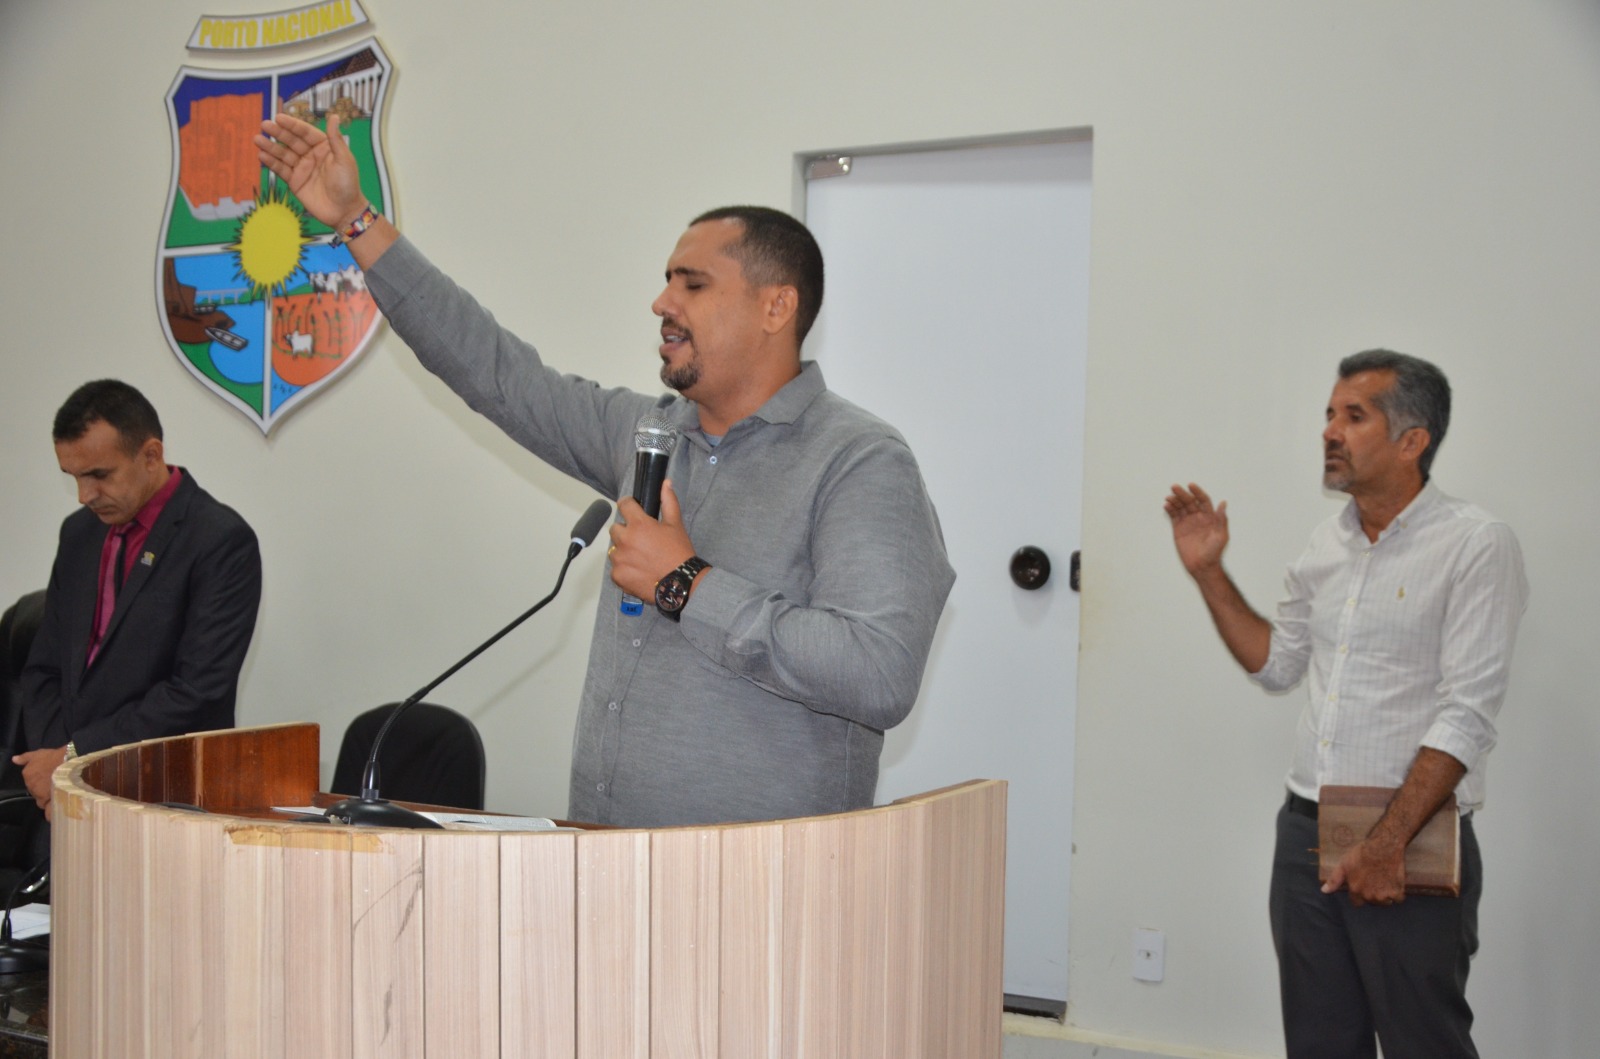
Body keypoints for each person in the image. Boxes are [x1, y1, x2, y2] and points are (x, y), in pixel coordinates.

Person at [255, 113, 955, 828]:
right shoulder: (648, 434)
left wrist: (687, 583)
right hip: (604, 857)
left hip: (763, 879)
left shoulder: (860, 462)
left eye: (693, 285)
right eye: (666, 282)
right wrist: (356, 220)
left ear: (776, 306)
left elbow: (878, 672)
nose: (662, 304)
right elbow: (496, 371)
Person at [1165, 350, 1526, 1059]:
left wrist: (1385, 845)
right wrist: (1209, 573)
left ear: (1412, 440)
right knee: (1320, 1043)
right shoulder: (1325, 545)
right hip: (1306, 832)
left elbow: (1468, 714)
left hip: (1412, 835)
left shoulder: (1475, 544)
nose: (1330, 431)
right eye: (1329, 414)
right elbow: (1277, 666)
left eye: (1353, 416)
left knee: (1425, 1042)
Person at [14, 380, 263, 819]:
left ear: (151, 455)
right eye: (73, 477)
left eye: (99, 475)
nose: (84, 495)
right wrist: (58, 771)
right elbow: (45, 667)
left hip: (166, 794)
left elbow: (195, 692)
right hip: (68, 793)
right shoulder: (78, 533)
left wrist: (75, 755)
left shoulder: (220, 540)